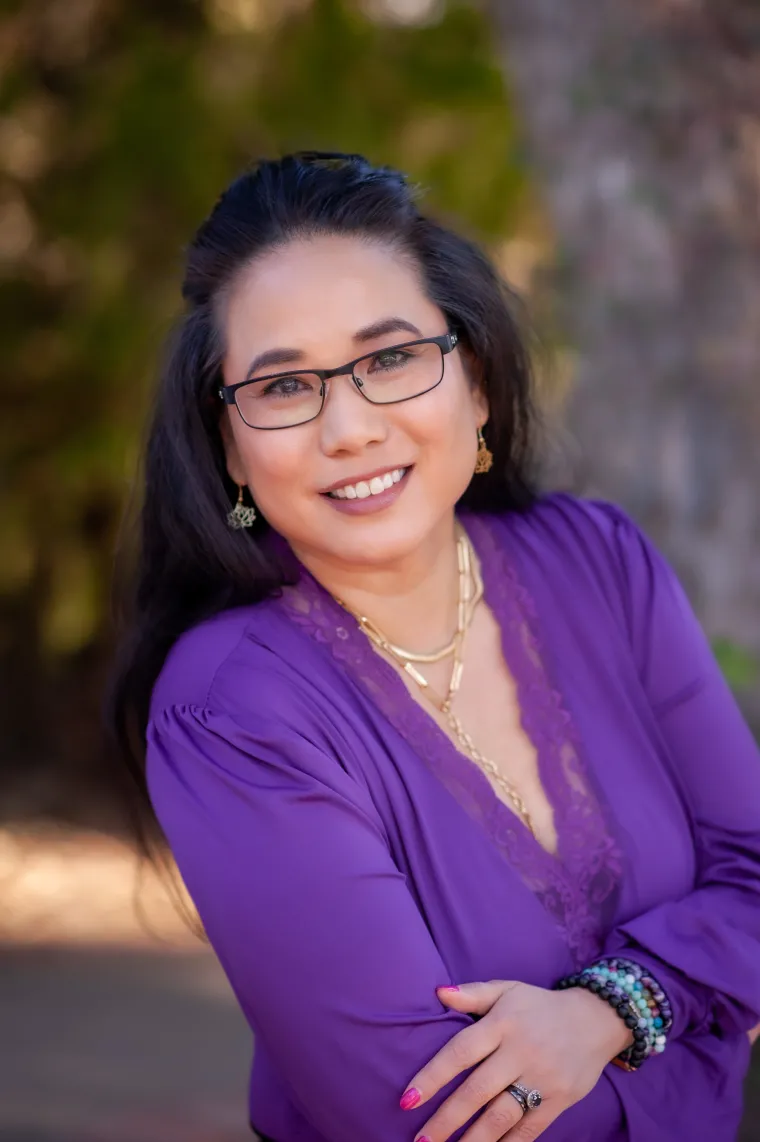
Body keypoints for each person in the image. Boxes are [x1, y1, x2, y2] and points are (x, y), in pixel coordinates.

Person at [108, 151, 760, 1142]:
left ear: (479, 381)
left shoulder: (598, 562)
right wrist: (705, 1029)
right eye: (283, 386)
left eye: (390, 357)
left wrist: (606, 1013)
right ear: (230, 447)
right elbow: (418, 1115)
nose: (351, 425)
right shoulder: (232, 706)